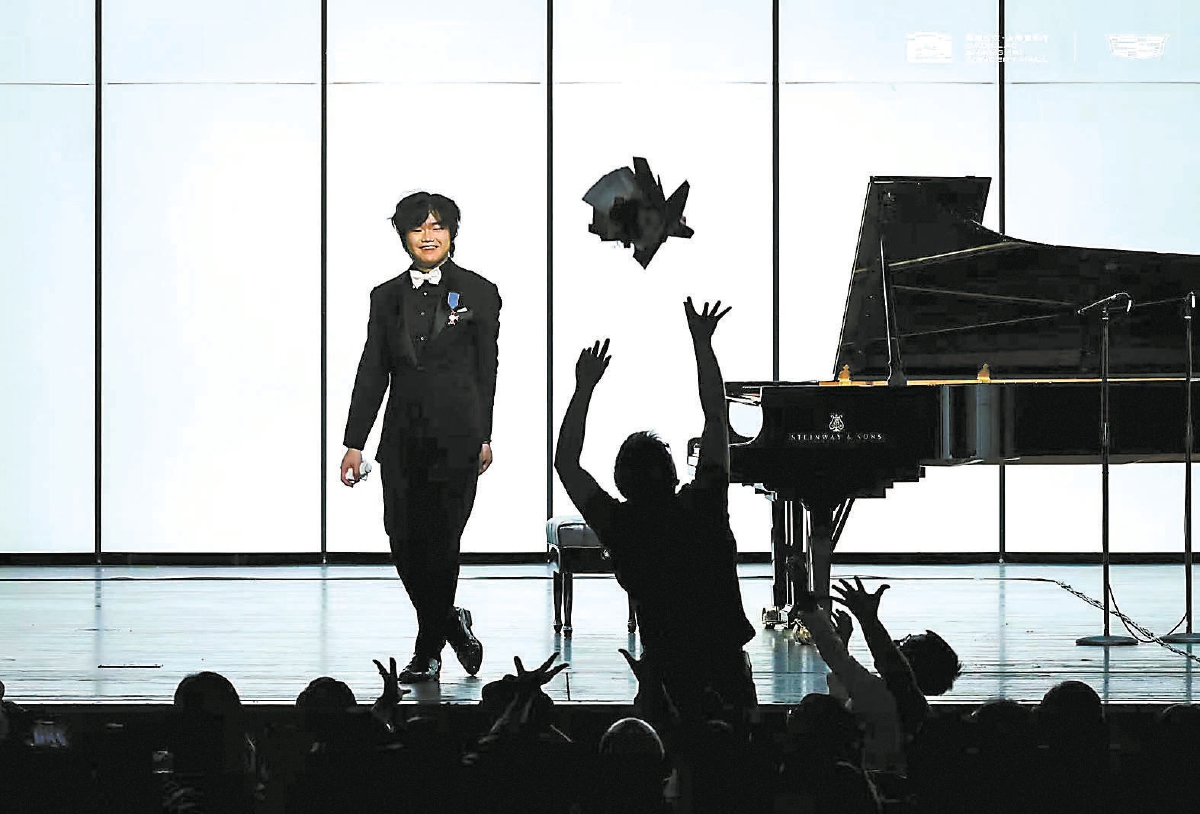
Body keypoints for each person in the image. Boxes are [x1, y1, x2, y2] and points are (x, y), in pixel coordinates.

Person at [554, 298, 757, 724]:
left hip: (666, 674)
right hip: (725, 667)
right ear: (672, 472)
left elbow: (566, 463)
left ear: (621, 482)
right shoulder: (704, 505)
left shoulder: (621, 526)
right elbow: (716, 415)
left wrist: (583, 388)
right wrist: (703, 344)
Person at [340, 191, 500, 683]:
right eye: (418, 228)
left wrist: (484, 435)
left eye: (437, 226)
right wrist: (354, 442)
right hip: (402, 439)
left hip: (458, 438)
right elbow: (372, 369)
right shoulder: (385, 296)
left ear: (452, 233)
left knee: (443, 544)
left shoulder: (480, 292)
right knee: (403, 540)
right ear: (404, 236)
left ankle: (427, 652)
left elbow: (487, 370)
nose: (428, 236)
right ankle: (451, 621)